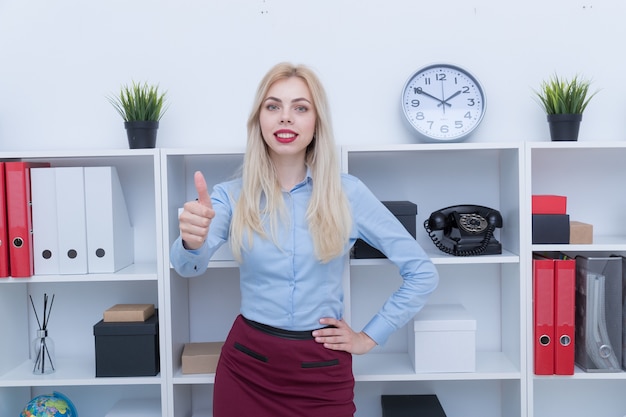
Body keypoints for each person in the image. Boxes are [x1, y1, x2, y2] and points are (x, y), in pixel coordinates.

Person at [170, 62, 439, 417]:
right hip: (247, 368)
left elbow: (422, 273)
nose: (285, 118)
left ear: (316, 123)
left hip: (322, 372)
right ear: (259, 121)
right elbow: (188, 267)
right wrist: (190, 241)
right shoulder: (229, 196)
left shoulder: (349, 194)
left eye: (300, 107)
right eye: (273, 106)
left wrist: (368, 337)